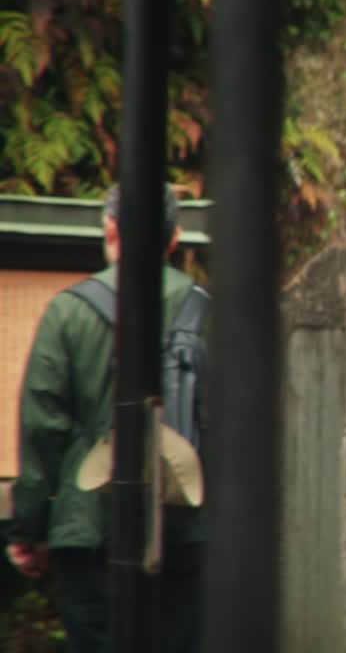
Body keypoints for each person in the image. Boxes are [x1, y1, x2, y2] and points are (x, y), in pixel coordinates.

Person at [5, 183, 206, 653]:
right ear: (174, 240)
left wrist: (30, 530)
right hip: (186, 533)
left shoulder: (68, 313)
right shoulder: (208, 312)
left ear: (110, 228)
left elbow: (44, 428)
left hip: (91, 529)